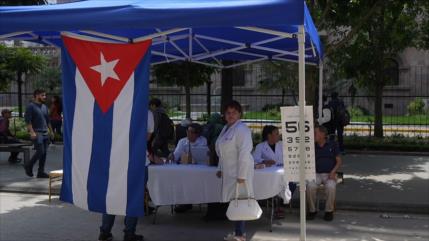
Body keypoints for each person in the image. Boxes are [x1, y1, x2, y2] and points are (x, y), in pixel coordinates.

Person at [98, 110, 154, 241]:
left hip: (115, 159)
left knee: (112, 196)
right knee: (134, 198)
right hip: (137, 159)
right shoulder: (146, 112)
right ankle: (129, 233)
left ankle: (105, 231)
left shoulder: (114, 107)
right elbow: (147, 136)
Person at [216, 100, 254, 241]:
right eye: (228, 113)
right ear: (224, 115)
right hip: (229, 172)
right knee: (235, 201)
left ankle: (240, 235)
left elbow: (244, 153)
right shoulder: (226, 128)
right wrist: (220, 168)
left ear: (239, 114)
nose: (231, 115)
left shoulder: (242, 130)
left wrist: (242, 175)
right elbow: (222, 151)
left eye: (234, 112)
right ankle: (238, 233)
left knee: (241, 201)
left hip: (239, 172)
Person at [168, 123, 208, 213]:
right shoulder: (182, 141)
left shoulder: (203, 141)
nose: (188, 134)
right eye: (187, 131)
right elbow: (176, 154)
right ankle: (185, 202)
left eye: (191, 132)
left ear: (197, 134)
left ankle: (196, 200)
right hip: (186, 169)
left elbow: (200, 156)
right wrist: (172, 156)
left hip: (199, 169)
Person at [306, 125, 342, 222]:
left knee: (331, 186)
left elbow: (339, 161)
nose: (313, 135)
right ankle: (312, 210)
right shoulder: (312, 146)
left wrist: (333, 172)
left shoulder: (333, 144)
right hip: (315, 173)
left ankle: (329, 211)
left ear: (322, 134)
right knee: (310, 186)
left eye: (315, 133)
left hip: (329, 173)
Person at [24, 89, 53, 178]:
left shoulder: (44, 107)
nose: (44, 97)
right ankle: (28, 165)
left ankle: (40, 172)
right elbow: (28, 121)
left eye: (45, 95)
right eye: (42, 95)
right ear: (36, 95)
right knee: (40, 151)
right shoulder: (31, 106)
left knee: (44, 153)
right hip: (37, 132)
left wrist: (51, 131)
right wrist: (32, 132)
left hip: (45, 133)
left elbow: (47, 120)